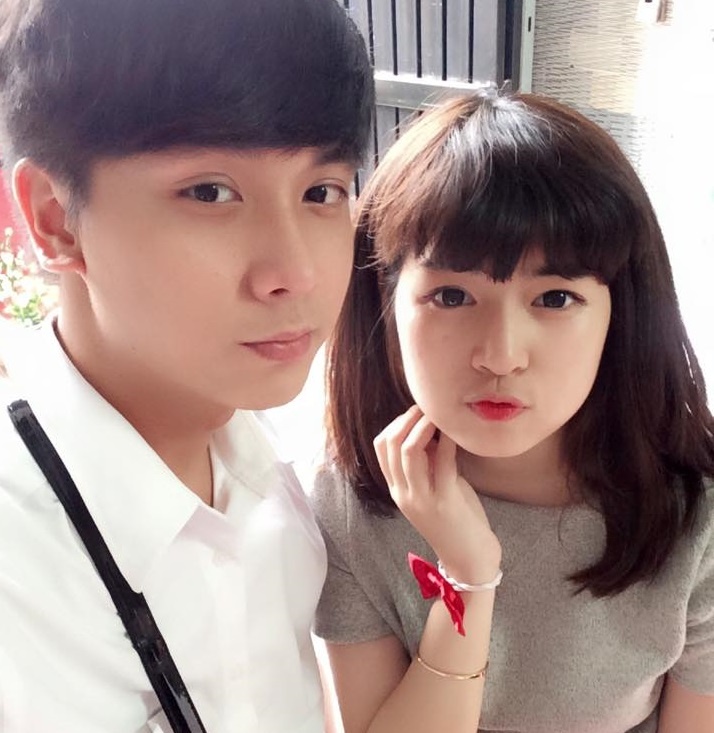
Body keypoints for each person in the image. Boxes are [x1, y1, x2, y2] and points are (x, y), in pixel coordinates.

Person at [0, 1, 373, 731]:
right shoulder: (22, 569)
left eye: (321, 192)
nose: (295, 272)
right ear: (54, 218)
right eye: (210, 192)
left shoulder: (290, 461)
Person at [312, 88, 714, 733]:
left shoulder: (696, 517)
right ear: (385, 308)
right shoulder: (354, 502)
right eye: (451, 296)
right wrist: (468, 576)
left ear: (620, 314)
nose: (500, 356)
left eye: (554, 299)